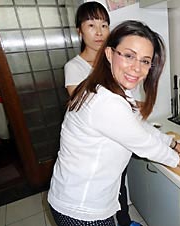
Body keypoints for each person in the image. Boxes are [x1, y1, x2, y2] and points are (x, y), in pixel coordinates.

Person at [48, 20, 180, 226]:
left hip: (74, 195)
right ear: (109, 54)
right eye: (129, 56)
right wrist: (178, 159)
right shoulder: (106, 101)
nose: (137, 68)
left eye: (145, 61)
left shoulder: (110, 88)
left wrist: (174, 144)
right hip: (81, 207)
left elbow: (138, 126)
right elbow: (143, 143)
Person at [64, 3, 140, 225]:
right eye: (91, 25)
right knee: (103, 188)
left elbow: (125, 99)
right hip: (95, 148)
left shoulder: (114, 62)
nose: (99, 32)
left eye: (104, 25)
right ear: (80, 30)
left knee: (119, 183)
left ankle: (124, 221)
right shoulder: (74, 67)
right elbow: (84, 104)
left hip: (118, 140)